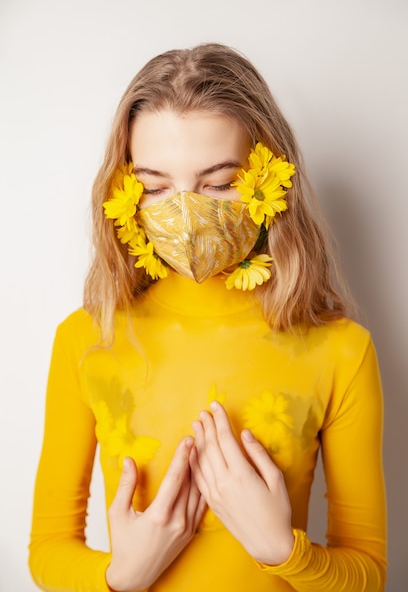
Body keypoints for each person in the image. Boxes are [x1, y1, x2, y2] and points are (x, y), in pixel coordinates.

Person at [29, 43, 387, 592]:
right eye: (154, 186)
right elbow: (48, 551)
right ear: (124, 191)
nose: (186, 213)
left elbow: (369, 572)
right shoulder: (86, 339)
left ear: (270, 177)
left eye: (218, 183)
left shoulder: (341, 349)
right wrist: (122, 575)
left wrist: (281, 549)